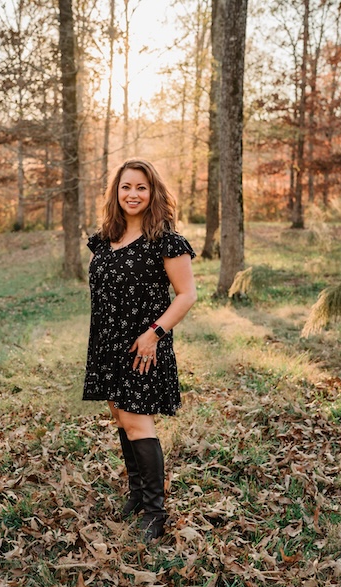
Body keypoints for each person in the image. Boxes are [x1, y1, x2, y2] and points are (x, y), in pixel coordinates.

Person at [83, 158, 197, 542]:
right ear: (116, 192)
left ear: (153, 194)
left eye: (141, 188)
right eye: (126, 187)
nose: (133, 194)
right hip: (108, 344)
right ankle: (136, 494)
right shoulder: (105, 238)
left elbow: (186, 295)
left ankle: (155, 511)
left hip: (144, 345)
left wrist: (154, 334)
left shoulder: (165, 241)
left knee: (137, 421)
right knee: (121, 418)